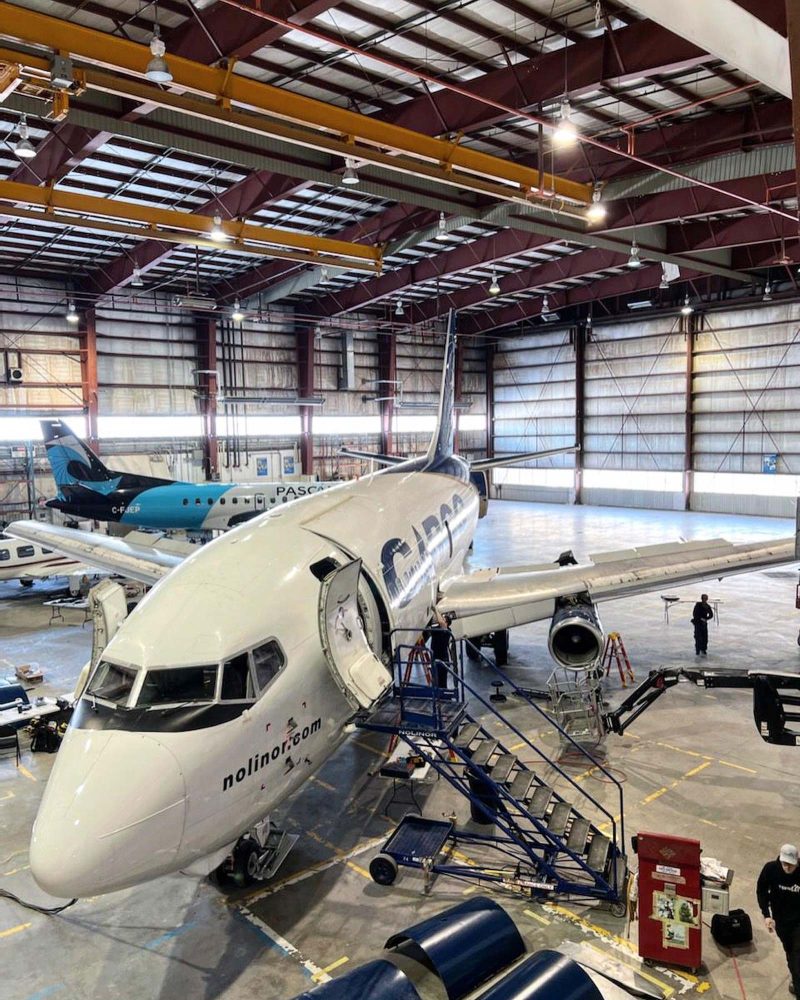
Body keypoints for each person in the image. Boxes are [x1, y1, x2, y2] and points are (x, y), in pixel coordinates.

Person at [757, 843, 800, 995]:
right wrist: (766, 915)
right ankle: (795, 977)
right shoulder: (771, 869)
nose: (787, 867)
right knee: (791, 952)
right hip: (781, 921)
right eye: (784, 863)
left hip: (798, 922)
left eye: (791, 865)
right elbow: (761, 890)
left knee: (797, 956)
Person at [428, 609, 453, 689]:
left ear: (446, 623)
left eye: (443, 619)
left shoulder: (447, 631)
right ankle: (438, 695)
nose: (441, 619)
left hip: (442, 659)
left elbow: (441, 623)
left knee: (441, 682)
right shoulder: (437, 628)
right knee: (436, 681)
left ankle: (443, 695)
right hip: (435, 658)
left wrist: (435, 610)